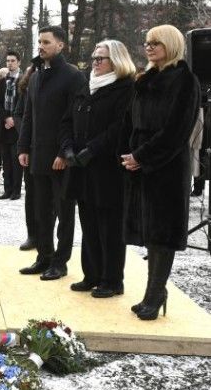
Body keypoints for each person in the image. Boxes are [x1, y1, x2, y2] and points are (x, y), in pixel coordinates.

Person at [120, 25, 200, 320]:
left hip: (165, 167)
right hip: (141, 166)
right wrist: (129, 155)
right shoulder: (145, 80)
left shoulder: (185, 80)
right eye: (146, 42)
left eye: (156, 43)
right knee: (149, 233)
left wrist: (141, 156)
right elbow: (131, 121)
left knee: (162, 234)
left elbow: (177, 131)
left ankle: (155, 294)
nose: (149, 47)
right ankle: (153, 293)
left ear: (171, 45)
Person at [62, 40, 135, 298]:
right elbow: (69, 120)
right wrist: (68, 147)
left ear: (116, 60)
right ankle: (91, 274)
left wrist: (92, 149)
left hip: (107, 169)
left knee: (110, 226)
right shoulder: (87, 86)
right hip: (81, 168)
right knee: (89, 222)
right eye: (93, 57)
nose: (94, 62)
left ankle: (112, 279)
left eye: (100, 58)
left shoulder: (125, 88)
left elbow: (119, 127)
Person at [17, 26, 85, 280]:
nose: (41, 46)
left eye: (46, 42)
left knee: (64, 212)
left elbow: (75, 120)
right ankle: (44, 256)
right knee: (40, 210)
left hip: (61, 158)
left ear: (60, 45)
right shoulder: (35, 77)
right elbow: (28, 117)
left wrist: (63, 153)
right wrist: (23, 147)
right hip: (37, 155)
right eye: (39, 42)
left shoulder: (73, 76)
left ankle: (60, 262)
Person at [14, 66, 37, 250]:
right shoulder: (28, 88)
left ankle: (46, 236)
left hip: (50, 146)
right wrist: (25, 136)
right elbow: (20, 113)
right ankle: (32, 235)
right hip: (30, 145)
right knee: (31, 194)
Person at [0, 51, 23, 200]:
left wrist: (14, 119)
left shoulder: (24, 80)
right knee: (6, 160)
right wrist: (6, 118)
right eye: (8, 61)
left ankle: (16, 190)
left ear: (18, 62)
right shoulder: (1, 82)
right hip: (5, 125)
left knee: (15, 160)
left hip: (18, 126)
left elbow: (24, 103)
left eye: (13, 60)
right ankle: (7, 189)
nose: (10, 63)